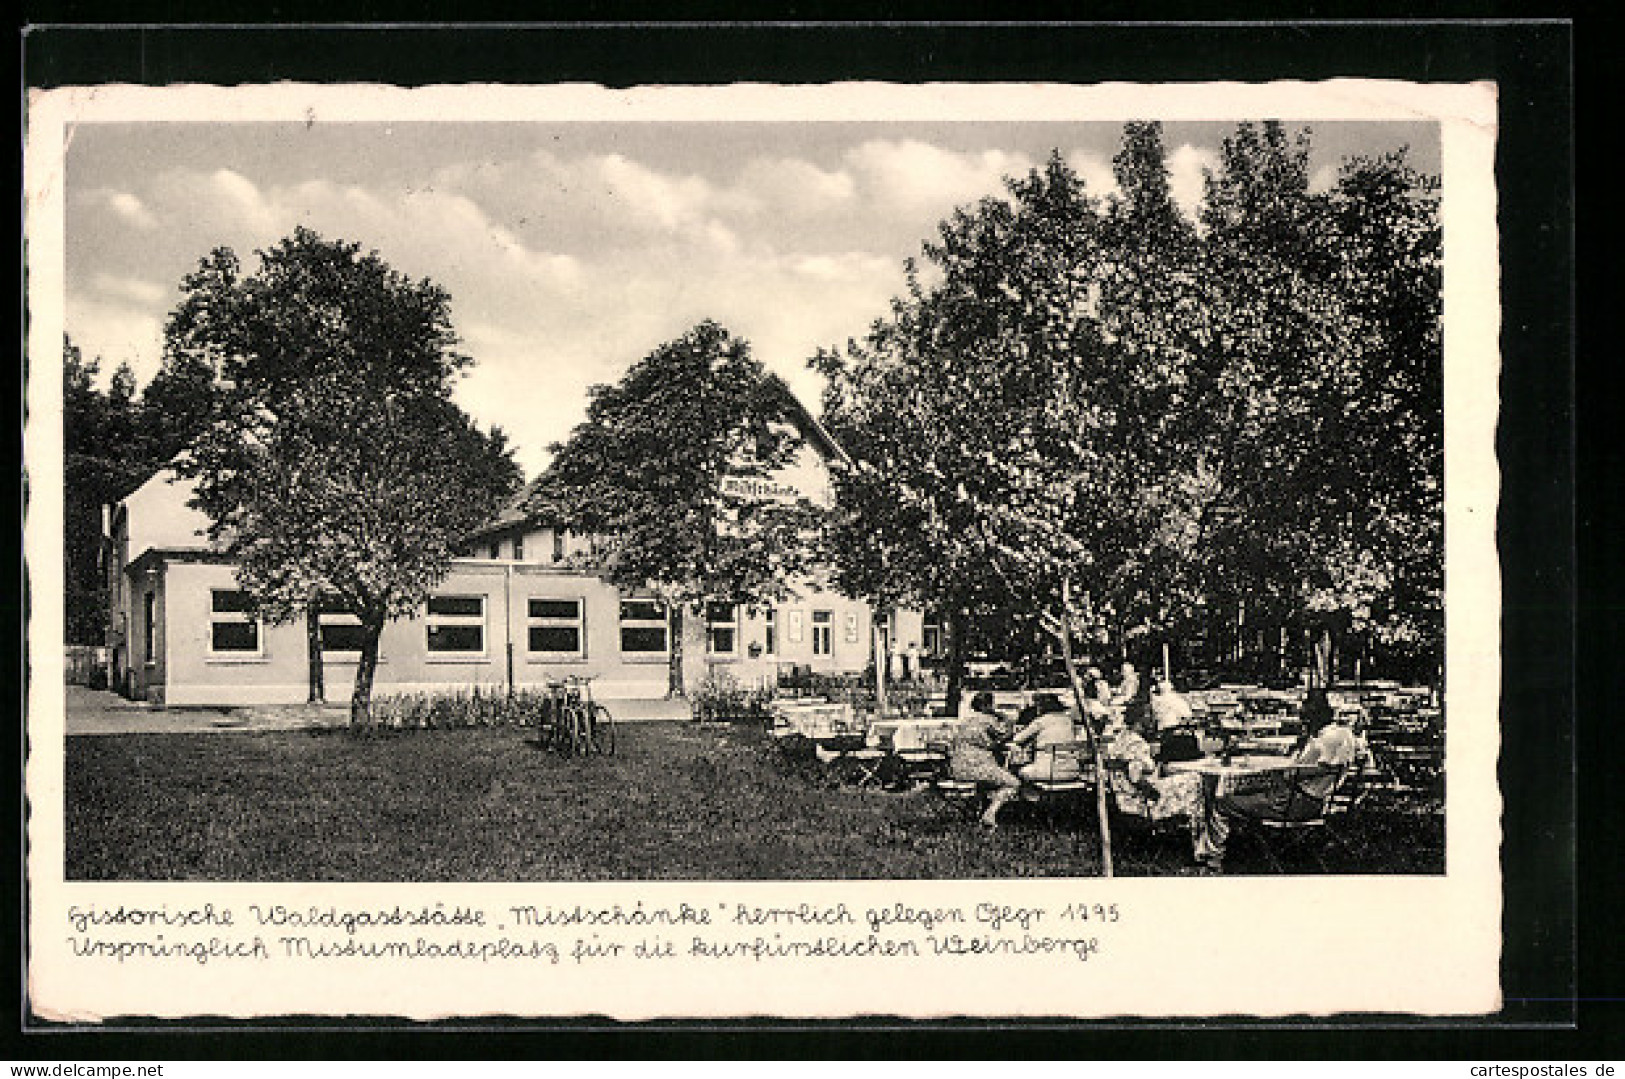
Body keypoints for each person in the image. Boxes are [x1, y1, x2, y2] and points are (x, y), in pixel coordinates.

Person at [1192, 701, 1360, 872]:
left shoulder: (1322, 741)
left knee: (1223, 802)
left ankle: (1214, 855)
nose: (1302, 722)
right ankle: (1240, 845)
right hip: (1319, 802)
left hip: (1295, 804)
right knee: (1248, 789)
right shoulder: (1344, 734)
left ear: (1314, 717)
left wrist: (1287, 765)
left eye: (1305, 718)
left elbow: (1295, 773)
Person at [1102, 716, 1206, 853]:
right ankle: (1201, 845)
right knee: (1195, 780)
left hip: (1124, 797)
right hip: (1143, 800)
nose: (1153, 721)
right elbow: (1136, 777)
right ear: (1139, 721)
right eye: (1148, 717)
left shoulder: (1121, 738)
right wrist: (1153, 792)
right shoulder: (1137, 744)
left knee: (1181, 778)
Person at [947, 691, 1022, 828]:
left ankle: (980, 809)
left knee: (989, 781)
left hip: (957, 767)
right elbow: (1006, 734)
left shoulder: (964, 721)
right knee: (1014, 783)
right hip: (978, 766)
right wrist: (1005, 718)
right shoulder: (988, 720)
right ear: (987, 705)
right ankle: (990, 813)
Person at [1010, 694, 1082, 784]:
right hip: (1071, 770)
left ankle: (1028, 796)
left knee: (1019, 772)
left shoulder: (1041, 721)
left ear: (1041, 708)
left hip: (1047, 772)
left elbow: (1017, 738)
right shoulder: (1069, 721)